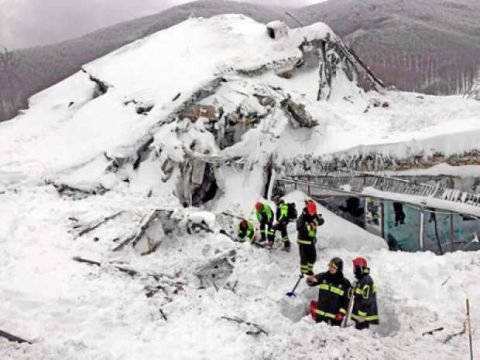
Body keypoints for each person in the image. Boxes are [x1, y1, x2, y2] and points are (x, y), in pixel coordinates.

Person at [306, 257, 351, 326]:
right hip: (320, 316)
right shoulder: (323, 276)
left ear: (339, 269)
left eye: (334, 267)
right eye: (330, 266)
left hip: (334, 319)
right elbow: (311, 282)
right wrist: (309, 280)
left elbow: (347, 301)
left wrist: (341, 313)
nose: (331, 268)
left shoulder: (345, 283)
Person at [351, 257, 379, 330]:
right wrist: (353, 288)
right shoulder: (361, 279)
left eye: (354, 267)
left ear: (359, 268)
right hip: (361, 316)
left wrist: (361, 315)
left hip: (365, 317)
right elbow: (358, 295)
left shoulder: (366, 281)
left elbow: (366, 300)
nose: (353, 269)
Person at [296, 200, 324, 275]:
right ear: (308, 210)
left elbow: (321, 220)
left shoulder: (315, 215)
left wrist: (316, 223)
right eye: (311, 212)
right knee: (304, 258)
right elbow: (299, 227)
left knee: (313, 257)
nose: (312, 214)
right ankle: (303, 272)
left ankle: (309, 270)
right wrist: (310, 227)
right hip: (303, 241)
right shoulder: (302, 217)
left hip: (311, 241)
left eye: (313, 212)